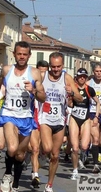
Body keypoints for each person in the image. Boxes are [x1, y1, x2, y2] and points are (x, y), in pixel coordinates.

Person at [0, 41, 46, 192]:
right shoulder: (7, 70)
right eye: (19, 54)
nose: (21, 57)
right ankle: (8, 174)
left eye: (24, 54)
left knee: (20, 155)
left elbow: (43, 97)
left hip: (26, 118)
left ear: (29, 56)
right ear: (14, 54)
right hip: (9, 115)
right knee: (12, 148)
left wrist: (33, 90)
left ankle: (15, 184)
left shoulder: (34, 73)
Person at [40, 53, 81, 192]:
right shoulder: (43, 75)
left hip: (59, 120)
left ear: (62, 66)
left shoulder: (66, 77)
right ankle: (40, 152)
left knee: (55, 155)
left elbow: (80, 98)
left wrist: (72, 93)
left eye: (58, 66)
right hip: (44, 118)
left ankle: (49, 184)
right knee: (47, 148)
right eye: (53, 66)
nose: (56, 69)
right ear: (49, 65)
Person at [69, 68, 100, 180]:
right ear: (76, 77)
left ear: (86, 78)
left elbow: (98, 102)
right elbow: (69, 103)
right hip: (74, 118)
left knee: (84, 146)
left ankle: (83, 155)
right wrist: (69, 100)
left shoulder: (89, 89)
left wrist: (96, 116)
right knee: (75, 147)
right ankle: (75, 170)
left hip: (86, 118)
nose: (82, 78)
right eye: (80, 76)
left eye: (84, 76)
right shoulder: (73, 88)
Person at [28, 59, 50, 189]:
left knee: (45, 148)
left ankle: (41, 157)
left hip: (47, 118)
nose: (42, 74)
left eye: (44, 72)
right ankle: (35, 174)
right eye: (40, 71)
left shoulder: (50, 84)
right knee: (34, 148)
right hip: (34, 116)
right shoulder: (32, 82)